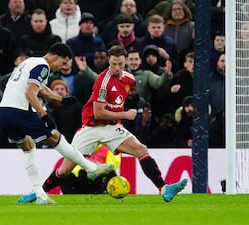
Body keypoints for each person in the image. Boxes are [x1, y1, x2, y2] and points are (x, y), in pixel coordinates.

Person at [21, 45, 187, 203]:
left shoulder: (129, 79)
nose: (116, 67)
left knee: (141, 150)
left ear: (126, 61)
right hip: (92, 128)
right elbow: (99, 112)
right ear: (109, 61)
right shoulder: (103, 81)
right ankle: (38, 193)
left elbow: (120, 101)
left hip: (112, 127)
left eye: (120, 64)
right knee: (65, 169)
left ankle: (164, 189)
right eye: (113, 64)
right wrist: (124, 114)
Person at [0, 43, 114, 204]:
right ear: (56, 57)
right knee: (55, 137)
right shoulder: (44, 66)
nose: (62, 67)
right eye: (63, 63)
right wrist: (44, 115)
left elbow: (41, 89)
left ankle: (40, 195)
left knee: (28, 147)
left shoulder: (31, 61)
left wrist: (61, 99)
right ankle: (91, 168)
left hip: (4, 112)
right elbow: (30, 93)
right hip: (20, 110)